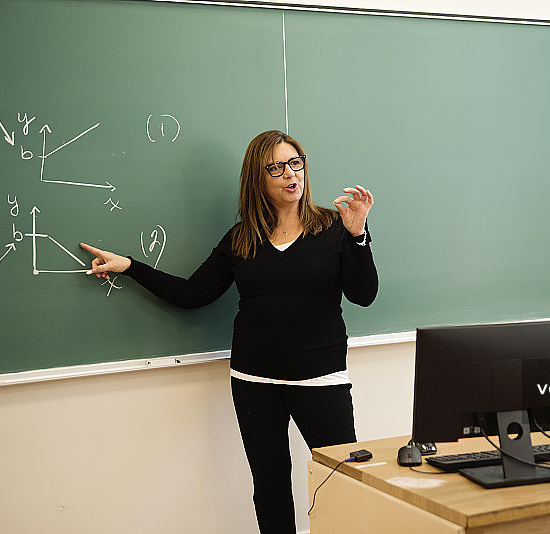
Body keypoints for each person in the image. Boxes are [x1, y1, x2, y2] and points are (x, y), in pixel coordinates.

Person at [80, 129, 378, 534]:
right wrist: (131, 266)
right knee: (269, 486)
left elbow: (363, 296)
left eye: (296, 163)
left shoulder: (334, 227)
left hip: (320, 379)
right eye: (276, 168)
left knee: (340, 481)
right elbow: (192, 293)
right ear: (259, 179)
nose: (291, 174)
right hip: (255, 382)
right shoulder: (242, 238)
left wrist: (358, 235)